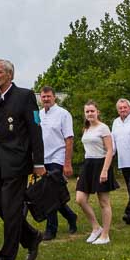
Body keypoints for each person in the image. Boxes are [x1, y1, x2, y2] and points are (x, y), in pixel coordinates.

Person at [0, 59, 44, 260]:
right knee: (1, 208)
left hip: (17, 163)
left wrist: (38, 162)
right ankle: (32, 237)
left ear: (10, 74)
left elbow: (35, 130)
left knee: (11, 210)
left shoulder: (25, 96)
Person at [76, 101, 119, 244]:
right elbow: (87, 151)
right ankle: (96, 227)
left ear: (97, 112)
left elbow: (110, 150)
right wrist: (82, 173)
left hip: (101, 164)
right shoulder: (86, 128)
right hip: (88, 165)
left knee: (104, 202)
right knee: (80, 199)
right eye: (87, 111)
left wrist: (105, 170)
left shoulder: (103, 128)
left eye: (92, 111)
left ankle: (105, 235)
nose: (90, 114)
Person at [38, 86, 78, 240]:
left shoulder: (63, 114)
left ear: (54, 97)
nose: (46, 99)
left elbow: (69, 139)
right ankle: (71, 216)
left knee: (50, 195)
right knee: (54, 194)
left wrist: (67, 163)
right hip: (43, 159)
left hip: (57, 158)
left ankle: (51, 230)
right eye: (43, 96)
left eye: (49, 96)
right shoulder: (38, 115)